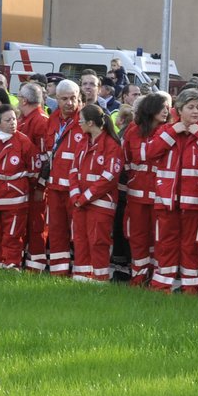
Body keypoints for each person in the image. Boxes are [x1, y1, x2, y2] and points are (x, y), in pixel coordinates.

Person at [151, 88, 198, 294]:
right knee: (165, 245)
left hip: (196, 203)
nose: (196, 111)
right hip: (167, 201)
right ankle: (162, 288)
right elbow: (152, 152)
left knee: (191, 247)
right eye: (191, 107)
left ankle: (191, 291)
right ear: (179, 110)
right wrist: (174, 131)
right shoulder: (165, 131)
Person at [71, 104, 124, 282]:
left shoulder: (112, 145)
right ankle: (81, 277)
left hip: (101, 204)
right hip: (80, 202)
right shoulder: (83, 142)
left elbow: (109, 177)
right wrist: (75, 195)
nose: (79, 124)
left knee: (98, 242)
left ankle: (99, 279)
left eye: (81, 121)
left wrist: (84, 197)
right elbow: (73, 171)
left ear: (91, 123)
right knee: (80, 240)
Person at [122, 92, 169, 286]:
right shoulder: (132, 131)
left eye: (168, 107)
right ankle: (139, 278)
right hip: (136, 196)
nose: (167, 111)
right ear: (151, 109)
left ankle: (157, 280)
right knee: (138, 238)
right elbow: (125, 159)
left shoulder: (168, 131)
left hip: (160, 196)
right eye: (163, 107)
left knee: (160, 239)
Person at [0, 105, 35, 268]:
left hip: (14, 198)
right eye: (8, 120)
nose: (13, 123)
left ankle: (11, 263)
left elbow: (34, 170)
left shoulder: (23, 142)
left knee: (13, 234)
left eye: (14, 119)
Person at [43, 80, 86, 278]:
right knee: (57, 230)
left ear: (79, 97)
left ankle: (81, 272)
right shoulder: (52, 119)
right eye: (64, 99)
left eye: (73, 98)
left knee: (79, 232)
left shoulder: (87, 120)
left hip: (76, 189)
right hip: (54, 187)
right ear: (56, 100)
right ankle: (59, 274)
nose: (69, 103)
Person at [17, 82, 52, 272]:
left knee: (37, 223)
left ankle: (36, 265)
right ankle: (27, 260)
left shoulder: (40, 121)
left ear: (24, 100)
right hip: (25, 183)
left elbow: (47, 157)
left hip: (35, 184)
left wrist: (40, 185)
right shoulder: (26, 120)